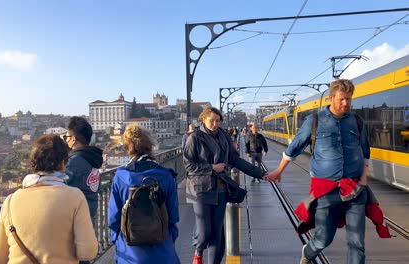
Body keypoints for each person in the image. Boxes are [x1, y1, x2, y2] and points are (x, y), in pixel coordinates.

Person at [265, 79, 389, 264]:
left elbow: (365, 152)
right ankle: (308, 252)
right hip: (325, 192)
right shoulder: (314, 121)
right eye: (342, 99)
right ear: (331, 98)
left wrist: (363, 179)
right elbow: (294, 148)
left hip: (355, 189)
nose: (346, 103)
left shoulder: (356, 121)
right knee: (324, 239)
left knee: (357, 243)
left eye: (349, 99)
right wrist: (278, 171)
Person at [0, 134, 98, 263]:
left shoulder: (10, 201)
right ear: (63, 163)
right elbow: (87, 252)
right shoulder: (75, 197)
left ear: (33, 163)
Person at [183, 107, 264, 264]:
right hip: (200, 189)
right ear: (203, 120)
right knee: (205, 232)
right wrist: (212, 168)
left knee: (217, 234)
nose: (215, 124)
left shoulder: (224, 136)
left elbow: (235, 160)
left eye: (218, 121)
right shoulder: (194, 138)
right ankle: (198, 250)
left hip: (220, 188)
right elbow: (188, 166)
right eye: (211, 120)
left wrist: (260, 173)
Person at [108, 124, 180, 264]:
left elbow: (113, 219)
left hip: (130, 253)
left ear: (128, 147)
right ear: (149, 145)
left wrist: (119, 241)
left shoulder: (121, 177)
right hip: (162, 251)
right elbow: (173, 216)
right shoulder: (165, 176)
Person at [64, 116, 103, 223]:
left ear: (73, 139)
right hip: (89, 218)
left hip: (75, 222)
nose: (66, 141)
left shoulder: (73, 163)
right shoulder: (93, 158)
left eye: (66, 137)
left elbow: (58, 188)